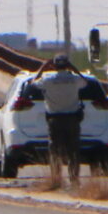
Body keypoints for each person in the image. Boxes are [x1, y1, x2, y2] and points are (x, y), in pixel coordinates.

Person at [39, 56, 88, 185]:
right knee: (73, 150)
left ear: (53, 66)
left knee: (55, 150)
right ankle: (74, 178)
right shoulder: (74, 79)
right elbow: (85, 82)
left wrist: (42, 68)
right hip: (72, 118)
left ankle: (56, 177)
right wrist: (74, 69)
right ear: (68, 65)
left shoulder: (48, 80)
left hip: (54, 119)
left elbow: (34, 82)